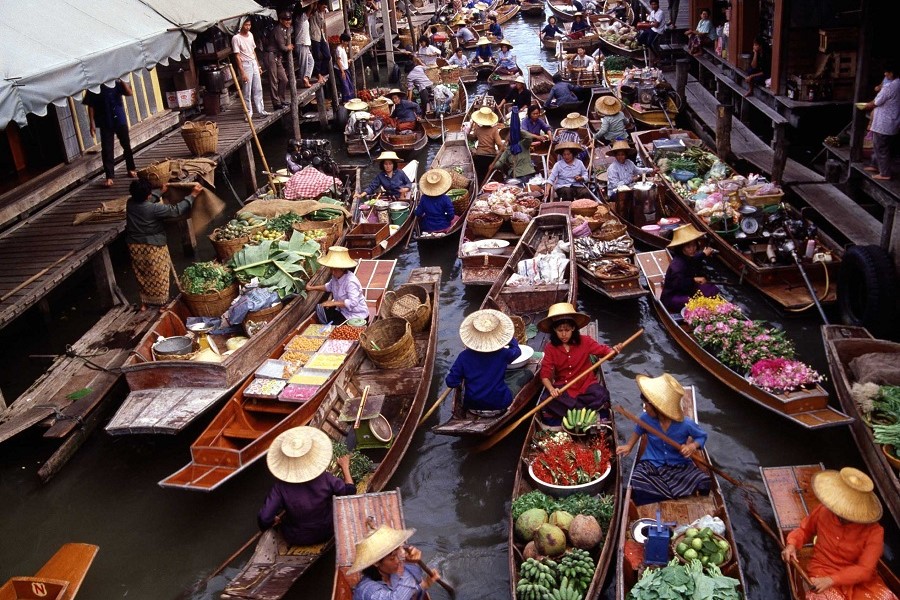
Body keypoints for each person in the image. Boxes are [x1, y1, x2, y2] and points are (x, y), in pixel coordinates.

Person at [782, 467, 897, 600]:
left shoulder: (875, 531)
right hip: (822, 570)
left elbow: (865, 569)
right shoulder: (823, 511)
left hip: (858, 579)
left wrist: (832, 580)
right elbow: (804, 530)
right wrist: (791, 545)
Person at [615, 374, 711, 506]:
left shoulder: (685, 424)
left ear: (658, 408)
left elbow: (702, 436)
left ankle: (661, 493)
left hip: (678, 465)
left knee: (704, 482)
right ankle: (675, 493)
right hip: (652, 463)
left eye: (647, 405)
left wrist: (692, 446)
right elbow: (638, 431)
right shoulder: (645, 419)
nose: (645, 407)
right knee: (637, 479)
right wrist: (629, 446)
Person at [257, 426, 356, 546]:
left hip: (297, 538)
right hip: (328, 530)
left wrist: (273, 519)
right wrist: (345, 467)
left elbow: (264, 518)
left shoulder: (280, 487)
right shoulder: (325, 478)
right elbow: (349, 493)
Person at [538, 303, 620, 424]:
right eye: (560, 330)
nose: (564, 334)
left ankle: (574, 412)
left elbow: (604, 352)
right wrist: (551, 389)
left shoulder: (585, 341)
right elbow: (545, 374)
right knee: (547, 400)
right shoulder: (550, 348)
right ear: (554, 330)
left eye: (567, 330)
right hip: (564, 386)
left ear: (573, 328)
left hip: (586, 384)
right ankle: (583, 412)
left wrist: (613, 351)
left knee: (601, 395)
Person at [125, 179, 201, 310]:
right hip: (152, 246)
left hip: (134, 245)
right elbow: (176, 210)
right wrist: (192, 195)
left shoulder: (130, 203)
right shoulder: (153, 209)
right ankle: (162, 303)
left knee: (142, 274)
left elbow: (147, 200)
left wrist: (159, 192)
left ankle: (146, 302)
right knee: (159, 274)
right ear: (147, 195)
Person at [446, 309, 521, 415]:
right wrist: (510, 339)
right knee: (524, 375)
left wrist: (462, 378)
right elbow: (517, 351)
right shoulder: (504, 353)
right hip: (499, 405)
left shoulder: (464, 356)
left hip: (472, 406)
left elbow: (451, 382)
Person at [348, 526, 441, 600]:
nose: (398, 560)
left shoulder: (391, 574)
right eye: (392, 558)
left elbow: (409, 589)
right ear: (376, 563)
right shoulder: (368, 590)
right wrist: (405, 569)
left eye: (397, 555)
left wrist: (425, 584)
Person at [83, 80, 138, 188]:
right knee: (107, 149)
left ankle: (131, 168)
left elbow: (129, 93)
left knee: (126, 145)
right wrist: (92, 123)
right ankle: (109, 177)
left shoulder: (116, 81)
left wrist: (122, 80)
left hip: (119, 118)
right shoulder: (94, 85)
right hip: (104, 120)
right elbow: (91, 105)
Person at [660, 224, 720, 313]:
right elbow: (680, 285)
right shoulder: (677, 266)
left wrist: (703, 254)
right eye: (688, 247)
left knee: (711, 289)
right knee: (692, 304)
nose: (692, 249)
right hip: (674, 296)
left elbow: (694, 258)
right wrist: (694, 279)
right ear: (681, 248)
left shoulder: (687, 257)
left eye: (694, 245)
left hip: (689, 288)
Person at [306, 246, 370, 323]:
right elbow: (328, 287)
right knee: (320, 308)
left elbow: (353, 302)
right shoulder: (335, 277)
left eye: (335, 270)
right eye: (331, 269)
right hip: (343, 311)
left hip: (357, 316)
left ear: (342, 269)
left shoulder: (350, 282)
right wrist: (311, 288)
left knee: (333, 323)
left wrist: (333, 303)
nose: (332, 272)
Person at [862, 64, 899, 181]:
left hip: (884, 122)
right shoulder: (898, 83)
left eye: (887, 72)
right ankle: (875, 165)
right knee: (882, 147)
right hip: (893, 120)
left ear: (892, 73)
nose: (885, 74)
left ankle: (885, 173)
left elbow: (876, 102)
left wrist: (865, 106)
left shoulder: (889, 87)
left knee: (881, 148)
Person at [232, 18, 269, 119]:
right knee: (247, 90)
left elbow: (253, 51)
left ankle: (261, 110)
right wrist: (242, 72)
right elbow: (237, 56)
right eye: (246, 25)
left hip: (253, 62)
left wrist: (258, 65)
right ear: (241, 25)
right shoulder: (236, 38)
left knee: (258, 88)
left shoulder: (251, 35)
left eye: (249, 25)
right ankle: (248, 113)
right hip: (245, 64)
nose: (248, 27)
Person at [264, 12, 293, 110]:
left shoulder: (286, 29)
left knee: (284, 79)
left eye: (289, 19)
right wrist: (288, 47)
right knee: (274, 80)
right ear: (281, 20)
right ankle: (276, 103)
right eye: (286, 20)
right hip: (271, 55)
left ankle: (282, 99)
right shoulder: (278, 30)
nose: (288, 21)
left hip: (278, 57)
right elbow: (282, 47)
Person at [468, 106, 503, 183]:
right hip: (490, 156)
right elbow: (499, 144)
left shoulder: (478, 129)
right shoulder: (494, 130)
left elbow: (473, 137)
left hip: (479, 156)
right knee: (490, 177)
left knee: (480, 177)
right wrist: (501, 153)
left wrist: (469, 134)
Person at [414, 169, 456, 233]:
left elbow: (418, 213)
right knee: (456, 218)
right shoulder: (445, 198)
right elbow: (451, 215)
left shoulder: (424, 198)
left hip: (428, 226)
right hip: (443, 225)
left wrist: (416, 210)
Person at [310, 1, 330, 83]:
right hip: (314, 36)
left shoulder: (322, 12)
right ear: (318, 5)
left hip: (321, 35)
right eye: (323, 7)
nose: (324, 8)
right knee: (317, 56)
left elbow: (323, 25)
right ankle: (318, 74)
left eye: (325, 7)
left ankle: (321, 72)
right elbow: (312, 6)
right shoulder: (314, 12)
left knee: (327, 55)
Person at [294, 8, 314, 87]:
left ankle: (306, 77)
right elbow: (309, 11)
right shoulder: (301, 17)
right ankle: (304, 81)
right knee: (303, 64)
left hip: (305, 43)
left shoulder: (302, 18)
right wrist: (312, 5)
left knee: (311, 61)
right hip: (301, 43)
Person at [335, 33, 356, 103]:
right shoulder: (338, 49)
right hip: (341, 70)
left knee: (349, 85)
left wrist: (347, 61)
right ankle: (345, 101)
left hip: (345, 69)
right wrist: (342, 72)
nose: (347, 43)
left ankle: (349, 99)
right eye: (346, 41)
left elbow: (342, 59)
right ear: (342, 41)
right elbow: (338, 61)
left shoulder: (343, 48)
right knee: (345, 85)